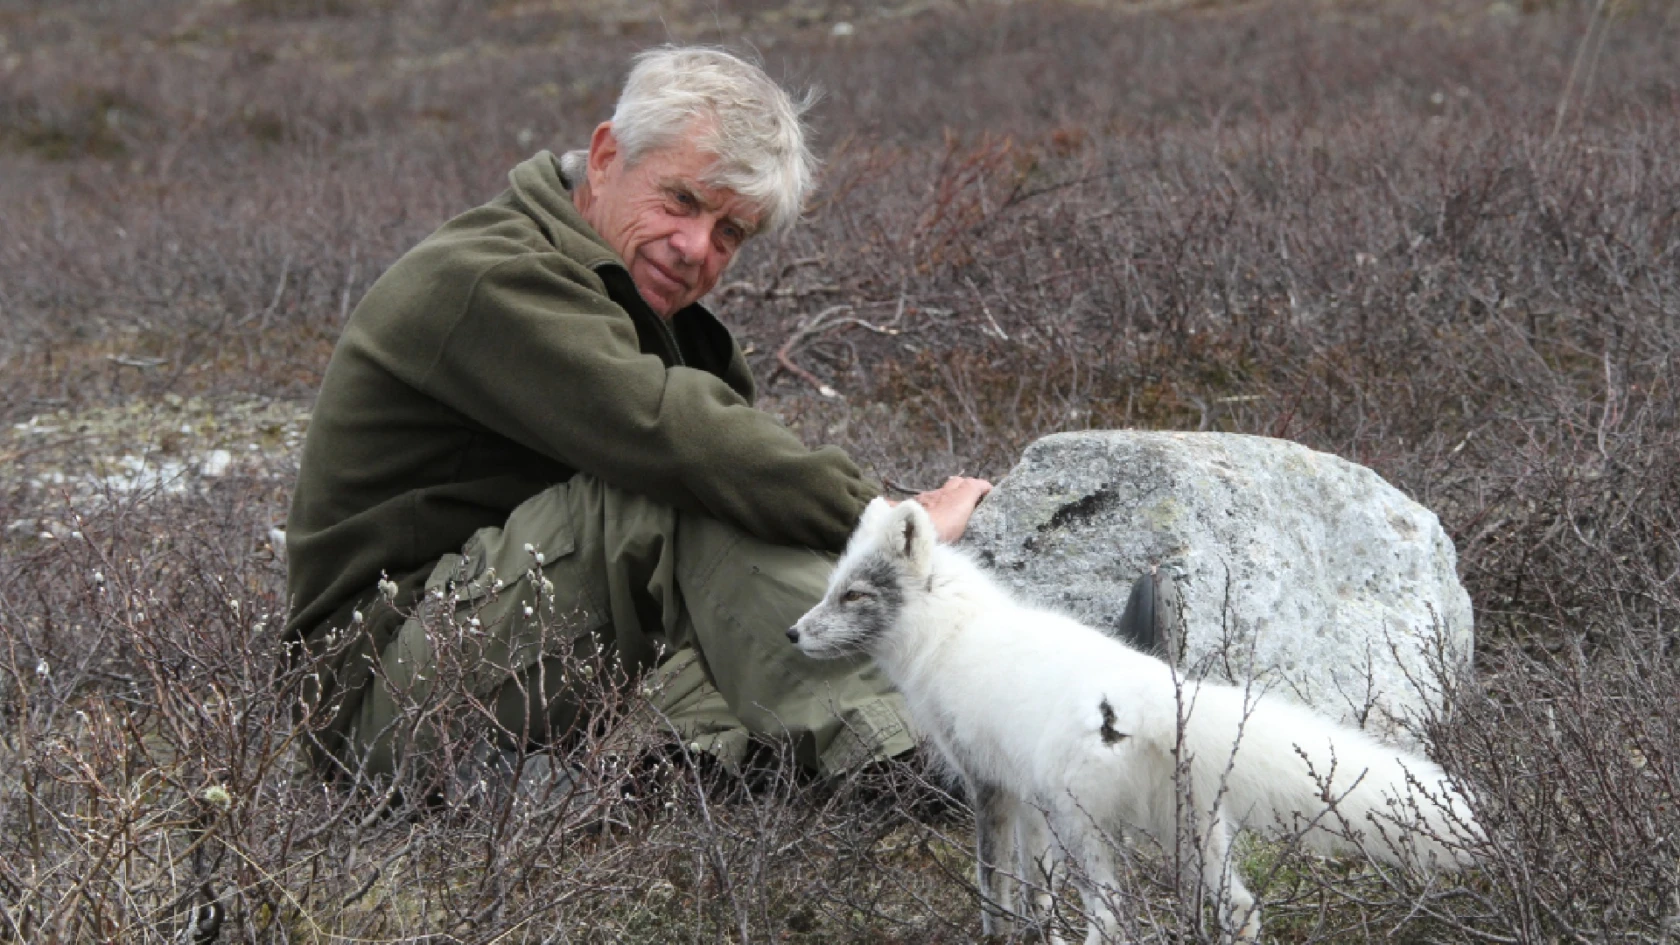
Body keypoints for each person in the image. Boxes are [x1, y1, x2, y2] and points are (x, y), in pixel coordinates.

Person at [282, 46, 996, 795]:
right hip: (370, 701)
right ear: (604, 158)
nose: (696, 248)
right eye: (681, 200)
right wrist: (889, 524)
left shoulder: (647, 314)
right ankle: (919, 755)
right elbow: (674, 440)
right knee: (672, 487)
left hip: (486, 650)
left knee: (727, 506)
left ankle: (940, 717)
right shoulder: (490, 276)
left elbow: (739, 523)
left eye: (730, 232)